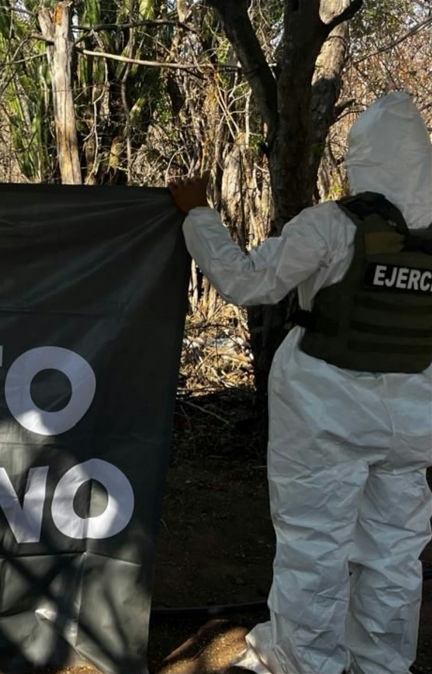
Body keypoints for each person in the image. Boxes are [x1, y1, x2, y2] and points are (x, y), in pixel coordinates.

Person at [168, 91, 432, 674]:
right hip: (414, 424)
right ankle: (381, 663)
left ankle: (303, 661)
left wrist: (198, 214)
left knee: (315, 545)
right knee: (395, 550)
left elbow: (246, 281)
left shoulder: (333, 225)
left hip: (326, 417)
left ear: (362, 158)